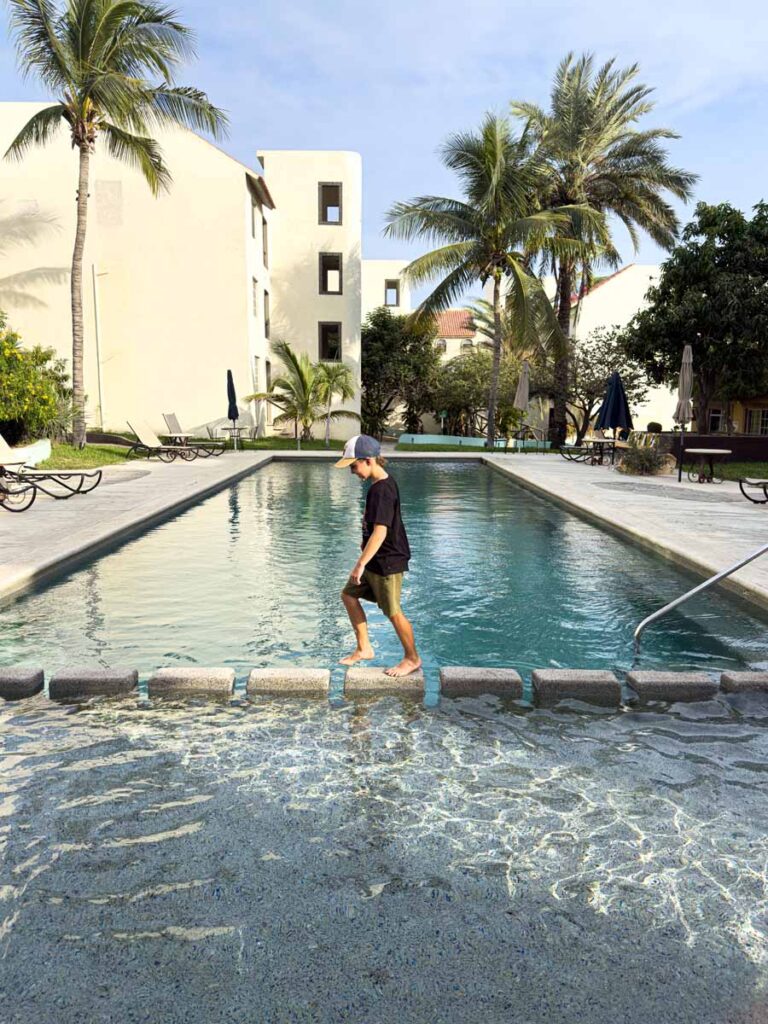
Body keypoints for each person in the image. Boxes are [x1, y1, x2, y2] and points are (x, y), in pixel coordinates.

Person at [335, 434, 421, 677]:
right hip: (375, 560)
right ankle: (364, 648)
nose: (352, 471)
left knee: (393, 611)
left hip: (387, 562)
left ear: (369, 460)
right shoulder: (378, 485)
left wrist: (360, 564)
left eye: (353, 466)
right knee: (349, 595)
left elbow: (380, 532)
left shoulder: (381, 490)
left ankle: (412, 658)